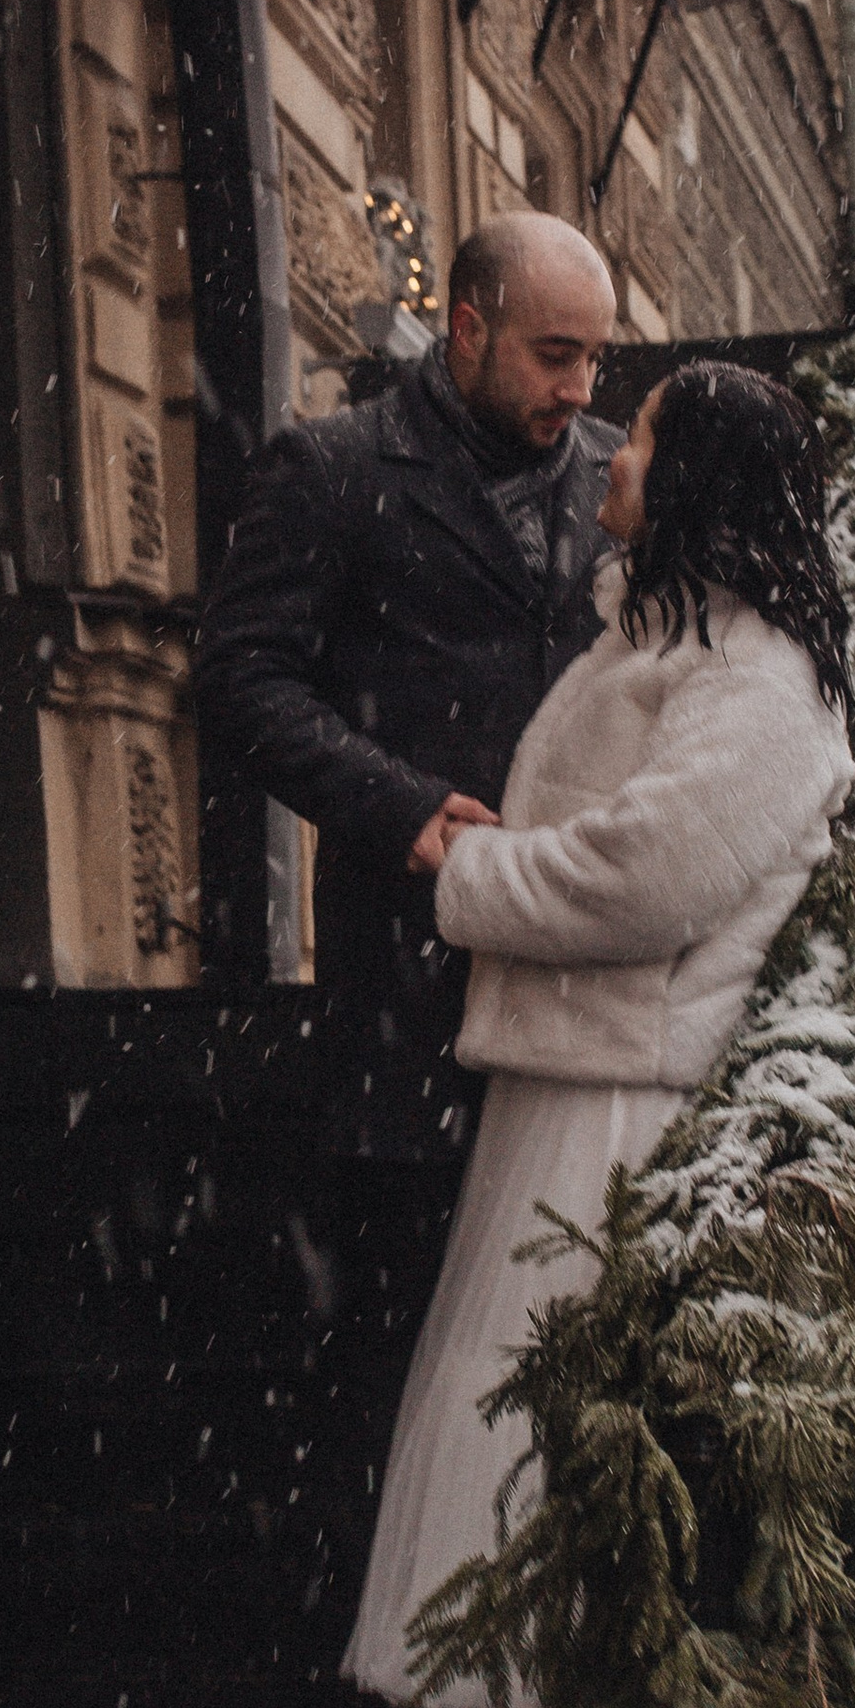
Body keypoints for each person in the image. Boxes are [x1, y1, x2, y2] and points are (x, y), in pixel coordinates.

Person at [338, 360, 855, 1708]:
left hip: (625, 1115)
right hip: (572, 1085)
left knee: (558, 1461)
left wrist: (468, 880)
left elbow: (649, 879)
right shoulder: (675, 639)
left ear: (699, 479)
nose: (611, 459)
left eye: (640, 438)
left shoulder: (757, 679)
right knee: (528, 1454)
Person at [194, 212, 622, 1182]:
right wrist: (399, 806)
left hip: (587, 984)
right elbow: (238, 677)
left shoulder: (619, 478)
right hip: (410, 987)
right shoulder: (332, 466)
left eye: (596, 357)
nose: (581, 388)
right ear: (467, 330)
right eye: (556, 355)